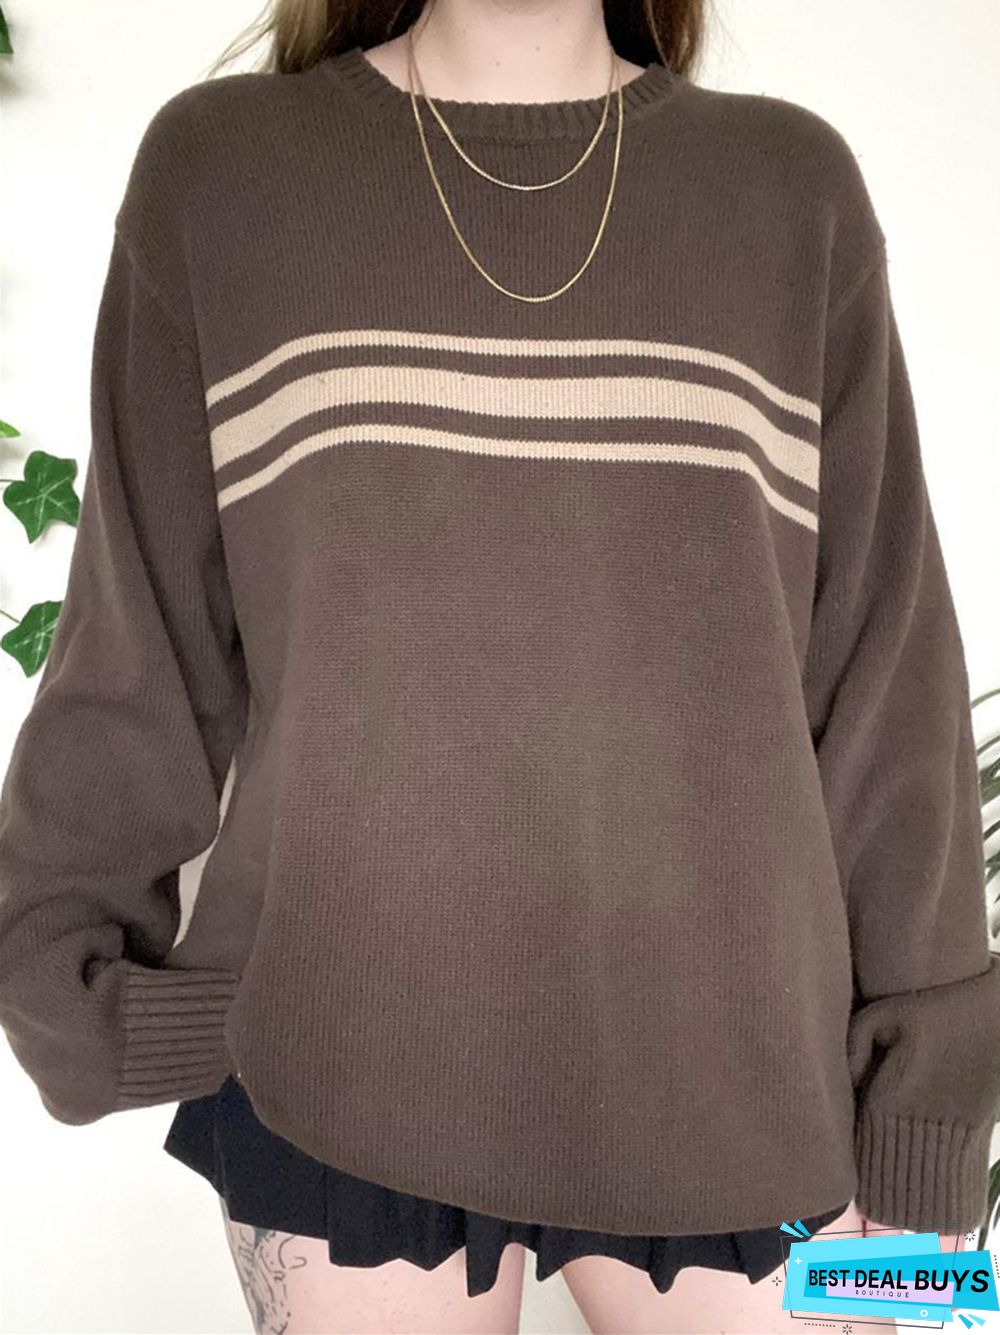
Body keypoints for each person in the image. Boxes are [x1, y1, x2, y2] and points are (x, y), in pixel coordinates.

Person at [0, 0, 996, 1331]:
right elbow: (140, 646)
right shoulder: (222, 169)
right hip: (337, 1070)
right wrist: (79, 994)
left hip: (746, 1070)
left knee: (913, 1311)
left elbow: (886, 668)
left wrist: (927, 1131)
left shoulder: (789, 184)